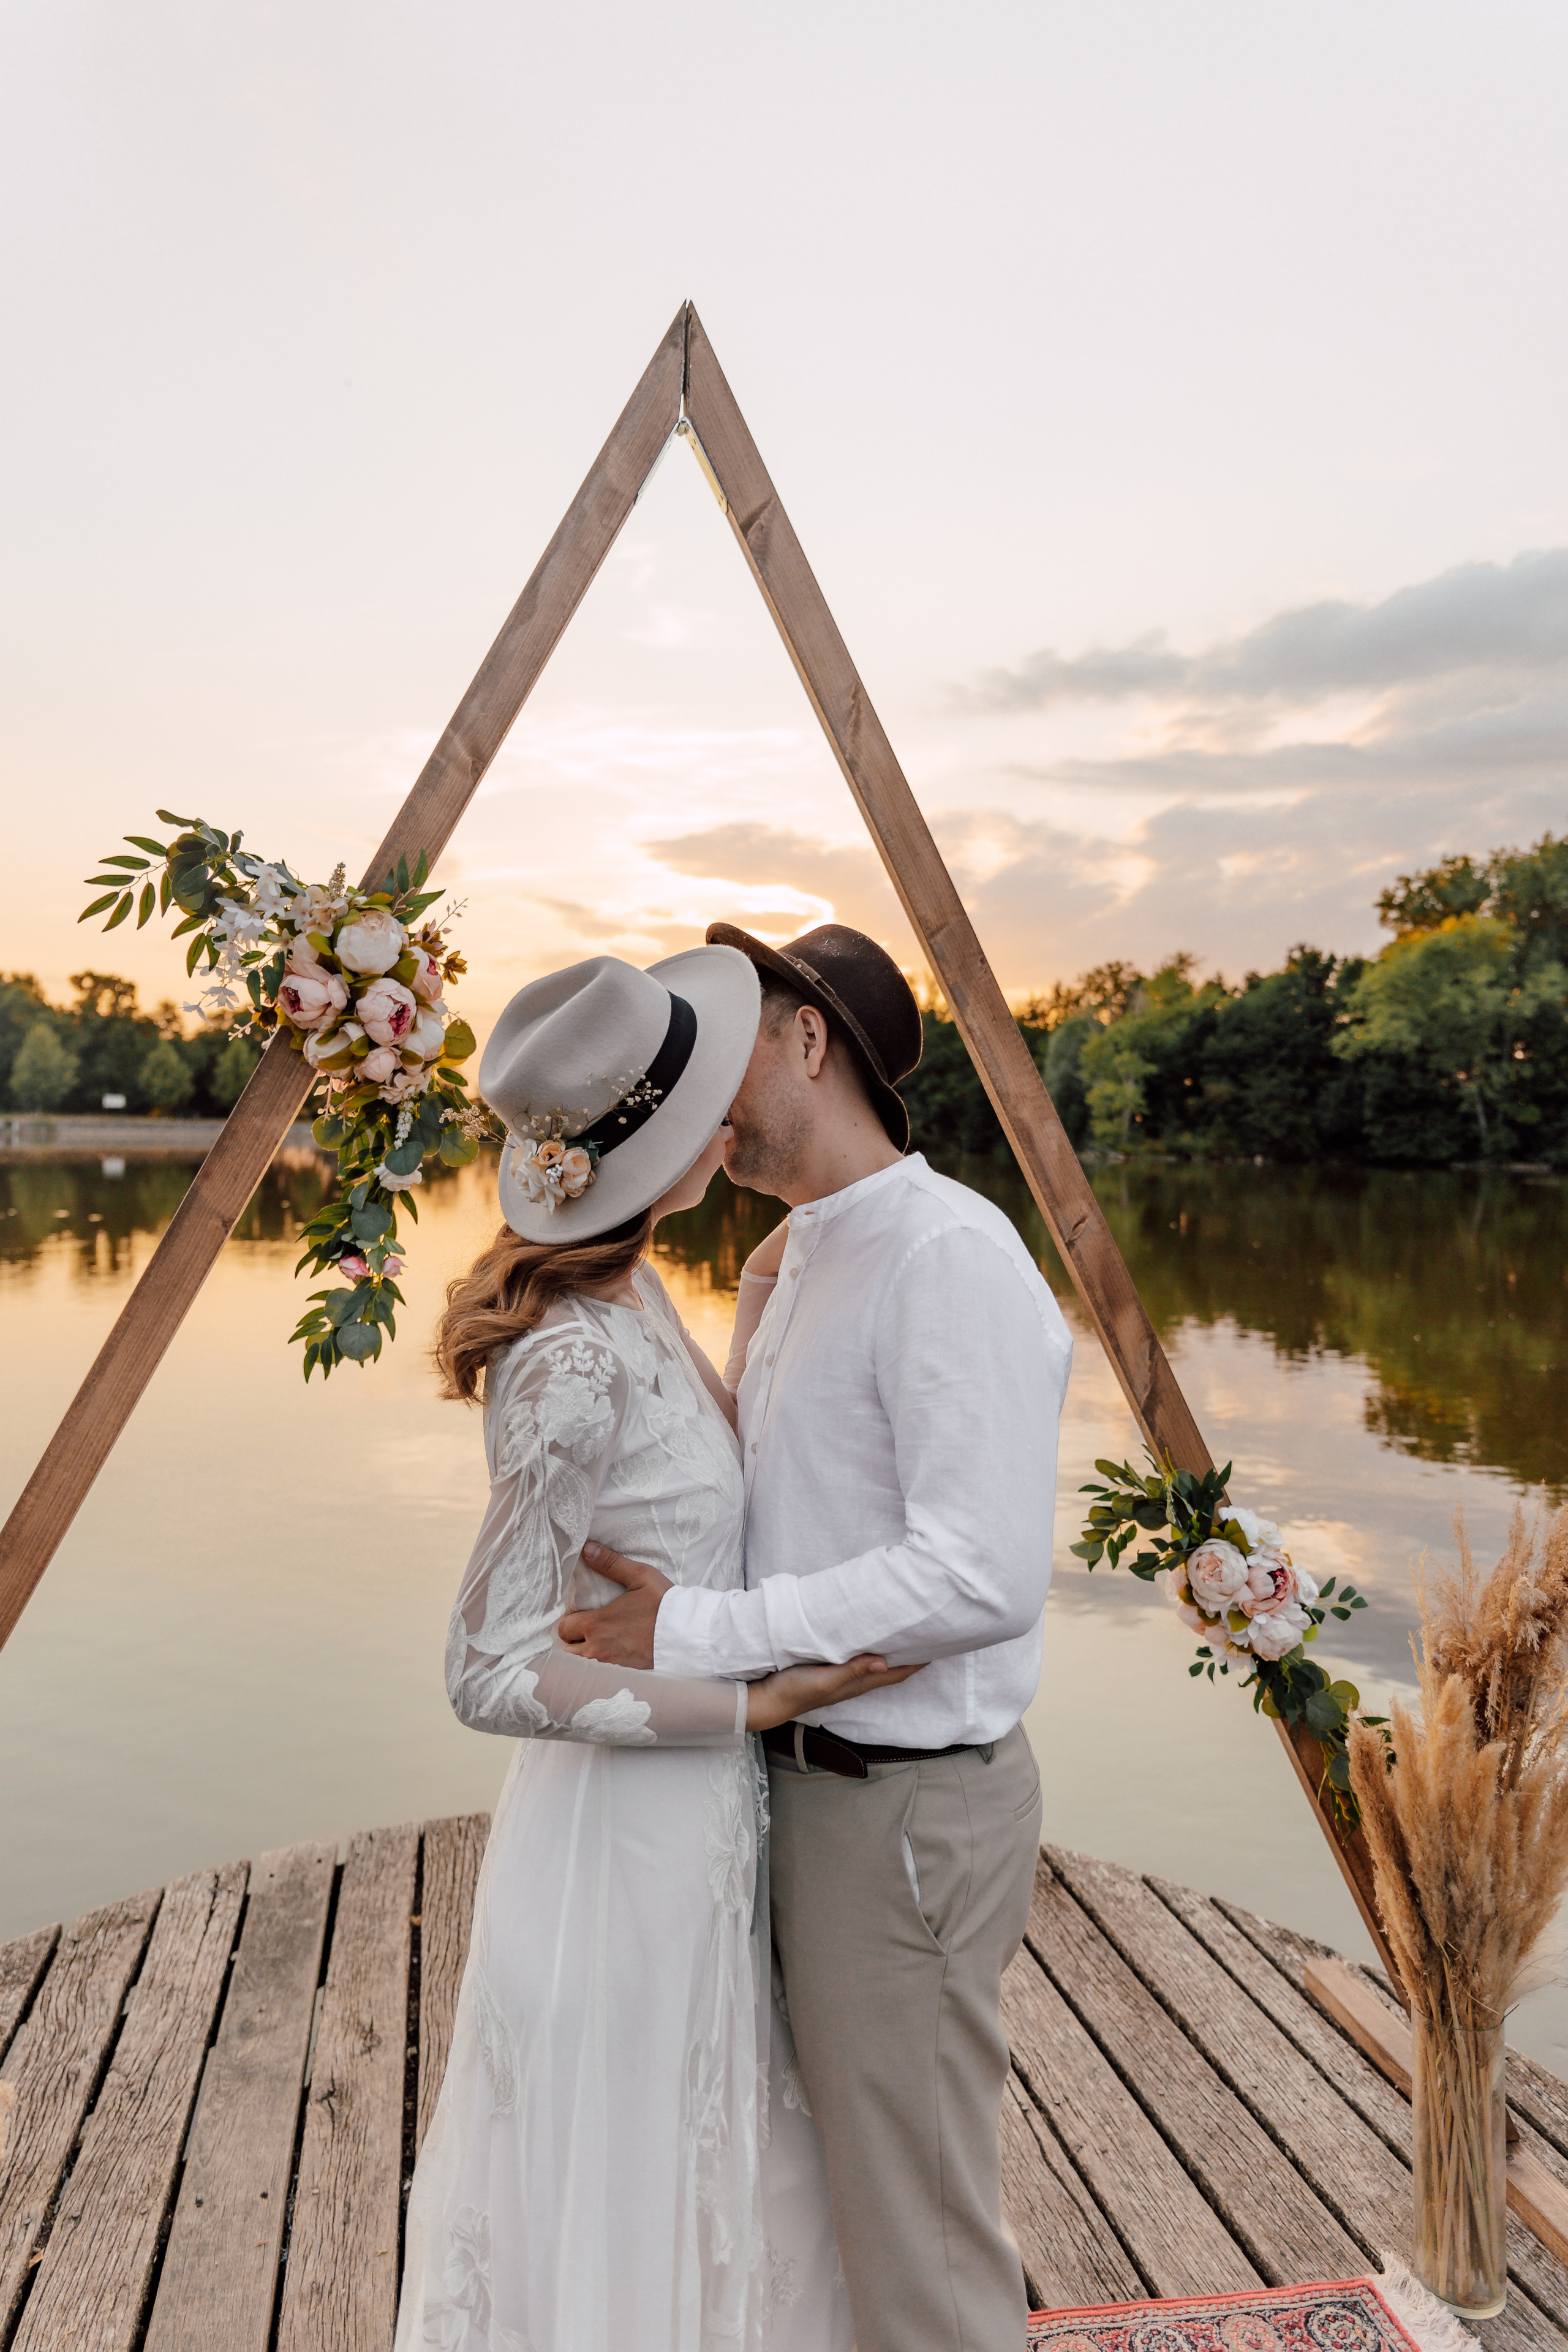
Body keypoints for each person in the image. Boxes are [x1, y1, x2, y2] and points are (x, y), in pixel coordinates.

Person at [561, 923, 1074, 2352]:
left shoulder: (944, 1254)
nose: (695, 1099)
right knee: (831, 2201)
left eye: (723, 1047)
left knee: (916, 2231)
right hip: (800, 1787)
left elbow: (977, 1573)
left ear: (805, 1040)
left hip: (899, 1809)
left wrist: (700, 1636)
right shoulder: (795, 1259)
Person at [395, 945, 914, 2352]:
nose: (733, 1100)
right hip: (619, 1843)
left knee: (712, 2167)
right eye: (705, 1088)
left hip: (695, 1835)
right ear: (668, 1143)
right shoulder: (566, 1358)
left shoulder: (645, 1295)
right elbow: (487, 1669)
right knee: (623, 2183)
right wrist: (744, 1707)